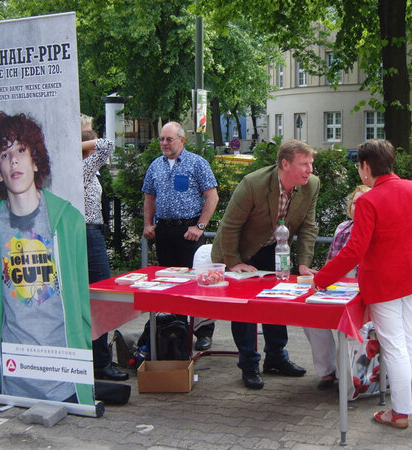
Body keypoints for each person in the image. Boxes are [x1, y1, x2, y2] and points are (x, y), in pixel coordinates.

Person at [0, 111, 93, 404]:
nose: (14, 161)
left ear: (36, 160)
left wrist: (85, 375)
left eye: (20, 150)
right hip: (13, 382)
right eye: (4, 155)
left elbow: (82, 304)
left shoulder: (69, 221)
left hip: (65, 382)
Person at [313, 139, 412, 429]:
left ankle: (400, 413)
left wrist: (321, 279)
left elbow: (354, 251)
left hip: (383, 285)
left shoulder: (368, 200)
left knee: (394, 346)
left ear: (365, 166)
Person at [211, 139, 320, 389]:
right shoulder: (253, 183)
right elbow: (229, 226)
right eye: (304, 164)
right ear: (285, 164)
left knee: (277, 301)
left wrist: (304, 264)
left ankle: (276, 357)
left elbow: (308, 226)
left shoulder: (311, 185)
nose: (310, 170)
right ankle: (249, 363)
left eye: (311, 164)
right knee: (245, 307)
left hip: (275, 248)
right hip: (240, 249)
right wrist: (234, 262)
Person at [142, 121, 219, 351]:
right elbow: (149, 198)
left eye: (169, 139)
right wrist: (148, 224)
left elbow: (212, 196)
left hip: (189, 232)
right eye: (162, 139)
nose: (164, 143)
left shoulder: (197, 163)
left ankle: (203, 331)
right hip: (165, 231)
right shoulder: (155, 165)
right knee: (170, 284)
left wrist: (200, 226)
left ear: (182, 140)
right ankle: (177, 328)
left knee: (198, 283)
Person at [303, 185, 370, 390]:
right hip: (338, 289)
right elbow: (331, 263)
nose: (358, 207)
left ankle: (347, 377)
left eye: (364, 203)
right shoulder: (342, 228)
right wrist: (320, 279)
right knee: (311, 316)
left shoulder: (379, 230)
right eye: (355, 203)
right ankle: (326, 371)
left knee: (351, 327)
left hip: (364, 294)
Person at [80, 114, 128, 381]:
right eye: (89, 133)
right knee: (100, 296)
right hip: (88, 234)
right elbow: (108, 145)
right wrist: (80, 142)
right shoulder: (82, 166)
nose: (94, 137)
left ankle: (96, 359)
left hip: (87, 232)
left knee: (93, 298)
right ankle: (100, 362)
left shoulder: (80, 167)